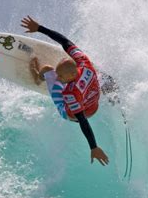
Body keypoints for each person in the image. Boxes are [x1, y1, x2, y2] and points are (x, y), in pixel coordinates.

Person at [21, 15, 109, 166]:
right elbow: (65, 41)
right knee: (100, 74)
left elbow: (82, 120)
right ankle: (111, 87)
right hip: (93, 105)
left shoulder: (70, 94)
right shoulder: (84, 62)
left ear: (72, 75)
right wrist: (39, 28)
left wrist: (93, 147)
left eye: (61, 76)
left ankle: (38, 77)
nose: (58, 77)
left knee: (47, 70)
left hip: (71, 114)